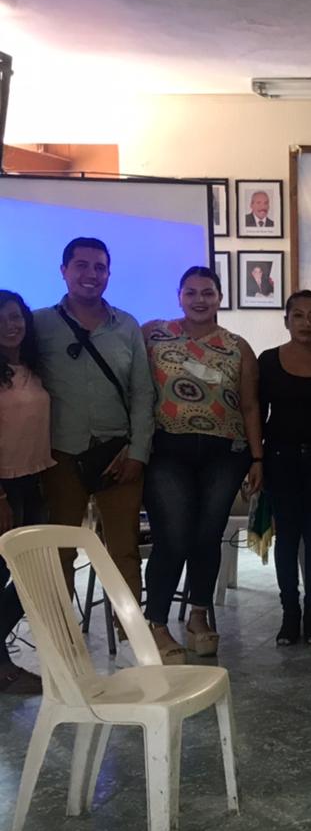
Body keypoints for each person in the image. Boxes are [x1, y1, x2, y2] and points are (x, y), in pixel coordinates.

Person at [141, 267, 263, 662]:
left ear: (219, 298)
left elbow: (250, 405)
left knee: (208, 535)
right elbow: (135, 390)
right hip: (167, 450)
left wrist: (257, 457)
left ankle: (198, 617)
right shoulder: (154, 334)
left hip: (225, 453)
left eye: (207, 292)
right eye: (191, 292)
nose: (199, 299)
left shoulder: (238, 347)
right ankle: (156, 624)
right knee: (173, 536)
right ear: (179, 296)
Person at [34, 237, 155, 622]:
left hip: (118, 456)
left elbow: (142, 392)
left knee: (124, 550)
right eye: (81, 265)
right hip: (59, 456)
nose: (91, 274)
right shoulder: (39, 324)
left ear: (108, 273)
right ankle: (61, 639)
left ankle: (132, 635)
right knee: (59, 550)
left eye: (100, 267)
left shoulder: (127, 325)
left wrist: (138, 452)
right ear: (63, 271)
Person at [259, 290, 311, 646]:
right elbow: (256, 413)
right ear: (287, 321)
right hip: (281, 458)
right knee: (287, 537)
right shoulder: (268, 361)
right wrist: (256, 460)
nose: (306, 323)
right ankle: (289, 613)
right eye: (298, 315)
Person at [0, 291, 54, 694]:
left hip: (34, 480)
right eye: (1, 320)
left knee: (34, 574)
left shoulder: (34, 368)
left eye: (15, 316)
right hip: (3, 487)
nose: (10, 325)